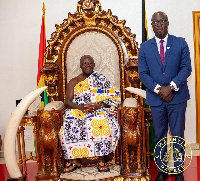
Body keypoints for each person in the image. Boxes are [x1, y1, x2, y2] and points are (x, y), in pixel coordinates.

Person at [138, 11, 191, 181]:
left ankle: (178, 171)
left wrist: (171, 87)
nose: (159, 24)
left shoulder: (180, 43)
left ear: (168, 23)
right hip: (156, 99)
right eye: (155, 22)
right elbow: (143, 73)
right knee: (159, 135)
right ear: (152, 25)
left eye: (162, 21)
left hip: (178, 97)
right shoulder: (145, 47)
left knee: (177, 134)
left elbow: (186, 68)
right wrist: (159, 89)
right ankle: (162, 171)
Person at [60, 55, 121, 173]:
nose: (87, 66)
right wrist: (81, 108)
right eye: (85, 64)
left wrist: (99, 105)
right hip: (78, 109)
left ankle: (101, 159)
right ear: (80, 66)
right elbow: (67, 101)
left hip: (98, 109)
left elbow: (113, 97)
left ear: (93, 65)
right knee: (70, 121)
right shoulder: (74, 81)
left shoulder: (100, 79)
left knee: (100, 121)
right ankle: (74, 160)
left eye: (90, 64)